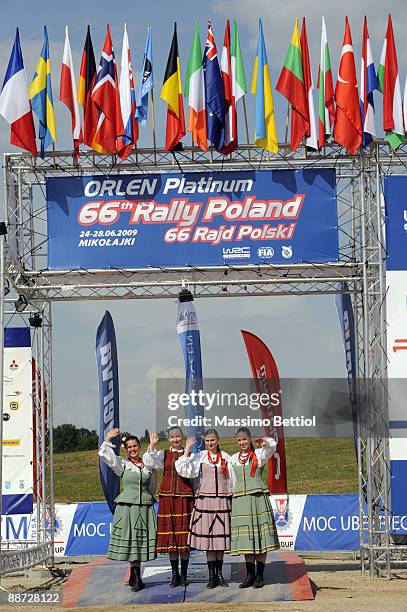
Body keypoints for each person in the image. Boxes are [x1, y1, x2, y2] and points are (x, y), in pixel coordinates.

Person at [98, 427, 157, 592]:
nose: (132, 449)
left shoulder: (147, 464)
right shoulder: (122, 465)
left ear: (139, 446)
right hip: (128, 508)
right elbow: (105, 455)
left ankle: (134, 575)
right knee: (132, 541)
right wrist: (108, 439)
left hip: (144, 507)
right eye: (129, 447)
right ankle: (137, 578)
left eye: (135, 446)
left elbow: (153, 484)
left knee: (139, 541)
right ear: (126, 449)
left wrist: (152, 445)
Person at [175, 428, 232, 589]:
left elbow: (232, 479)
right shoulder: (200, 457)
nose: (210, 443)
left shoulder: (226, 457)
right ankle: (212, 576)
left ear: (218, 439)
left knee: (219, 540)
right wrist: (186, 449)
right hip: (205, 500)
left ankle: (220, 573)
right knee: (209, 540)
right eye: (207, 441)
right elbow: (182, 469)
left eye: (212, 440)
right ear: (204, 442)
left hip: (221, 500)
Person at [229, 427, 280, 589]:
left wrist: (265, 441)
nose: (242, 442)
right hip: (241, 501)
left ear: (250, 438)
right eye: (239, 440)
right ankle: (249, 575)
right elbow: (231, 481)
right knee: (247, 539)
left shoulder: (259, 454)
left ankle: (260, 575)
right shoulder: (233, 458)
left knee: (260, 538)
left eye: (245, 439)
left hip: (258, 499)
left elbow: (273, 447)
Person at [143, 427, 194, 587]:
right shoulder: (163, 454)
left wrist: (186, 451)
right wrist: (151, 445)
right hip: (167, 496)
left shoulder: (190, 455)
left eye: (178, 436)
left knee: (183, 537)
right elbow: (149, 462)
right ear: (169, 439)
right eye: (172, 437)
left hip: (184, 496)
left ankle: (184, 575)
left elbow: (188, 473)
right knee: (171, 536)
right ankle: (175, 575)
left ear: (182, 437)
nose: (175, 440)